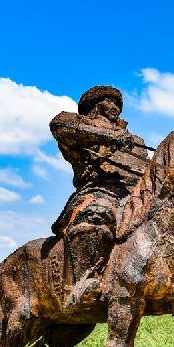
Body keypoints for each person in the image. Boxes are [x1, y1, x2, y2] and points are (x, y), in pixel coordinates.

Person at [50, 86, 148, 292]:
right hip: (99, 191)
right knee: (98, 213)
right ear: (94, 105)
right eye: (109, 102)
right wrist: (108, 137)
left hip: (136, 196)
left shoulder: (135, 141)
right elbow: (58, 124)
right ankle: (83, 282)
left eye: (118, 104)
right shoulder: (77, 125)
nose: (115, 108)